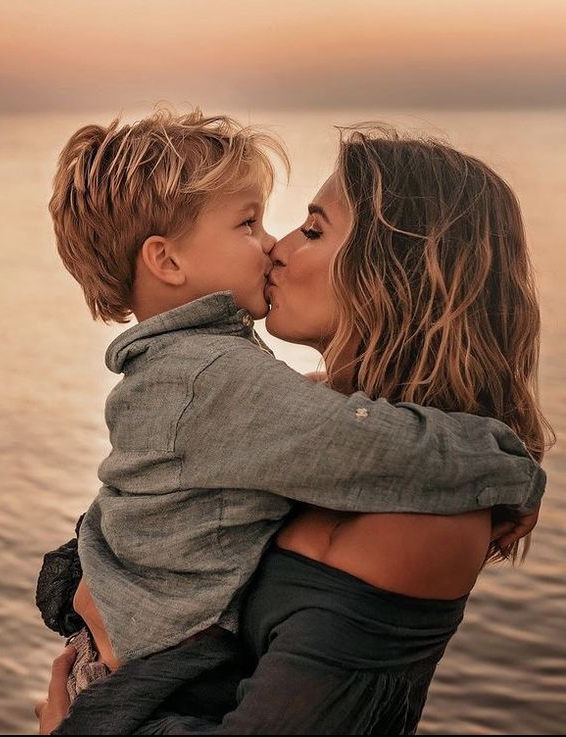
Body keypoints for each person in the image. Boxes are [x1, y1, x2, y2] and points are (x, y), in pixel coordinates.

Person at [35, 113, 547, 734]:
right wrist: (512, 470)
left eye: (312, 229)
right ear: (167, 261)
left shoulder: (417, 514)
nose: (277, 245)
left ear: (389, 268)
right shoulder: (261, 399)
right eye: (254, 224)